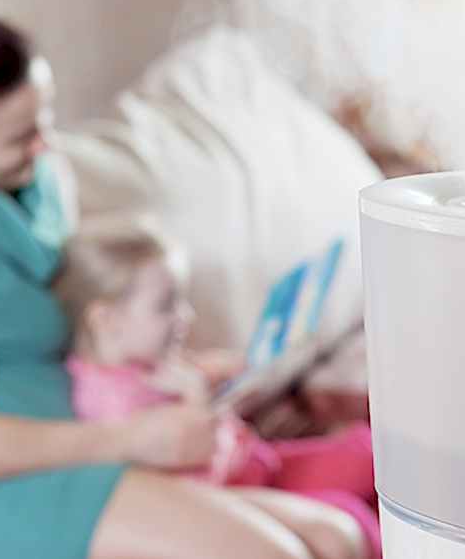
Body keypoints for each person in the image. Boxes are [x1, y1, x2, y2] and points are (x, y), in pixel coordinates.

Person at [0, 11, 366, 559]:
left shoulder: (28, 208)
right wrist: (135, 437)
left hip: (75, 465)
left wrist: (188, 374)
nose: (44, 147)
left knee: (336, 536)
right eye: (21, 137)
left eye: (43, 122)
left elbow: (84, 351)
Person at [60, 220, 381, 558]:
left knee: (367, 454)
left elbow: (193, 378)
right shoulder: (109, 402)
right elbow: (181, 477)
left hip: (258, 461)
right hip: (234, 487)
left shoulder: (144, 360)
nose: (186, 316)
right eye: (166, 305)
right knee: (353, 514)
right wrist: (197, 400)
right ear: (106, 319)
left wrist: (228, 376)